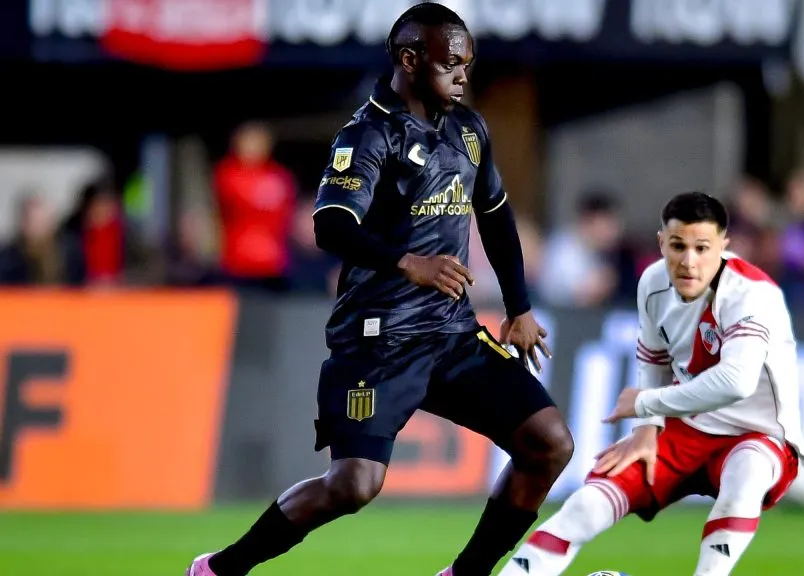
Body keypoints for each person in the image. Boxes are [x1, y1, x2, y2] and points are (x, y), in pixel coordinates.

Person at [188, 4, 573, 576]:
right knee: (354, 485)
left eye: (467, 65)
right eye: (451, 64)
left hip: (452, 333)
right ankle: (220, 568)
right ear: (410, 59)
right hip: (377, 339)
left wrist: (518, 306)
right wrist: (405, 261)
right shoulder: (367, 135)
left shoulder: (469, 130)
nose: (463, 76)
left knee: (550, 443)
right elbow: (331, 224)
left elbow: (493, 215)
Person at [497, 192, 804, 576]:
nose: (688, 261)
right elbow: (654, 359)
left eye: (702, 248)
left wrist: (648, 404)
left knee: (746, 476)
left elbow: (736, 381)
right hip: (686, 429)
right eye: (678, 246)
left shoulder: (752, 294)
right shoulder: (654, 283)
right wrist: (646, 431)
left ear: (723, 247)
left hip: (759, 434)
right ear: (662, 243)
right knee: (585, 505)